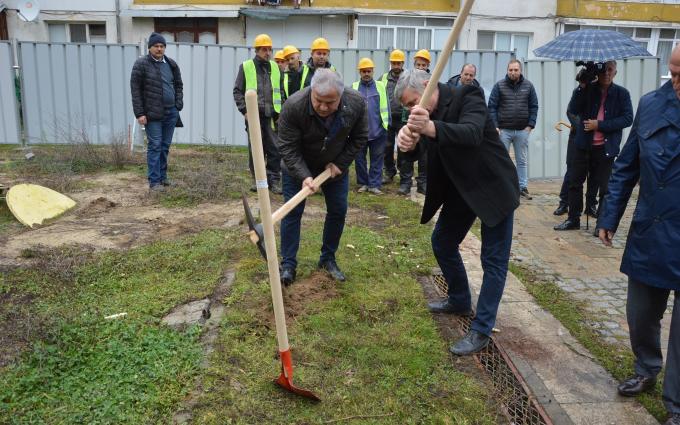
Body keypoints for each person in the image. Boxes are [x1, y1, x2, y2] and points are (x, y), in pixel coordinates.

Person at [396, 69, 519, 355]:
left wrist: (429, 128)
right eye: (406, 107)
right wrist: (409, 145)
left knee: (493, 261)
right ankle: (460, 299)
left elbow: (472, 133)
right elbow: (422, 149)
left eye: (413, 102)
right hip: (462, 190)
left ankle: (481, 330)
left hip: (493, 187)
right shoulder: (424, 113)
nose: (412, 110)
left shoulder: (468, 95)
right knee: (442, 242)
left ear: (427, 86)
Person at [596, 45, 680, 425]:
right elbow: (627, 164)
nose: (676, 82)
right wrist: (609, 215)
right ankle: (647, 367)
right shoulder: (651, 103)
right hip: (652, 227)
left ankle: (676, 405)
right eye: (674, 72)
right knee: (641, 313)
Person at [277, 69, 368, 285]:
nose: (324, 108)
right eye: (319, 101)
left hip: (334, 167)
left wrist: (340, 164)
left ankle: (327, 259)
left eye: (331, 102)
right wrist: (304, 175)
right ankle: (288, 264)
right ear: (312, 92)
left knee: (338, 211)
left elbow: (359, 137)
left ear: (341, 96)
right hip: (297, 167)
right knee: (292, 213)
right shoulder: (294, 106)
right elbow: (287, 147)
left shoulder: (355, 103)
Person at [554, 60, 633, 231]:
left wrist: (600, 125)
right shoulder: (588, 89)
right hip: (583, 145)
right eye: (604, 70)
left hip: (606, 148)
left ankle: (601, 225)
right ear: (597, 72)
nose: (606, 73)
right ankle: (573, 219)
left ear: (615, 72)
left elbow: (628, 119)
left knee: (604, 188)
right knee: (575, 183)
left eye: (610, 70)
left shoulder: (622, 94)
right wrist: (582, 85)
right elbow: (573, 109)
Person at [130, 32, 184, 192]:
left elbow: (179, 85)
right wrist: (139, 113)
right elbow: (135, 90)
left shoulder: (171, 64)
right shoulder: (141, 64)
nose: (159, 49)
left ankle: (163, 178)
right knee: (155, 145)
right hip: (152, 114)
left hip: (171, 112)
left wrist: (178, 104)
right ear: (150, 48)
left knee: (165, 146)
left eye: (162, 46)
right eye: (156, 46)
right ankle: (154, 182)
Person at [233, 33, 285, 194]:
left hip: (272, 116)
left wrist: (281, 110)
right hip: (254, 115)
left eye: (269, 49)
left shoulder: (276, 67)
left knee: (274, 148)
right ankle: (259, 181)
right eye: (264, 49)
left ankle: (274, 180)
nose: (267, 53)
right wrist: (245, 110)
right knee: (256, 149)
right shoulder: (246, 66)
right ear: (257, 50)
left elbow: (281, 92)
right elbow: (237, 91)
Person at [488, 59, 539, 200]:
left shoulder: (528, 86)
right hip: (504, 130)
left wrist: (530, 126)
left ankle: (522, 187)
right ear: (507, 70)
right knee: (501, 159)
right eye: (510, 70)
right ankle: (502, 186)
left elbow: (534, 106)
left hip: (522, 130)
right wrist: (496, 126)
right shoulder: (499, 86)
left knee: (521, 160)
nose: (513, 72)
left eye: (516, 70)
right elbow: (492, 107)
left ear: (520, 70)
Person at [353, 58, 389, 195]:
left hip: (378, 131)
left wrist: (387, 124)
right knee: (360, 159)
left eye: (369, 71)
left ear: (373, 71)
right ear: (359, 72)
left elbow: (387, 107)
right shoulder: (354, 87)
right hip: (359, 132)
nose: (366, 73)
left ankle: (374, 184)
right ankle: (363, 183)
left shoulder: (380, 86)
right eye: (363, 71)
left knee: (377, 159)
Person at [554, 111, 599, 217]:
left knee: (594, 173)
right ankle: (564, 203)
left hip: (596, 139)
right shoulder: (579, 94)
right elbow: (571, 111)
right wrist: (584, 127)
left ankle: (591, 206)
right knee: (571, 173)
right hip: (576, 138)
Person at [380, 49, 405, 185]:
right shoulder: (383, 78)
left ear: (402, 63)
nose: (396, 66)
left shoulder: (408, 77)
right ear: (390, 63)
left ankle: (403, 173)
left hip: (403, 118)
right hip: (388, 119)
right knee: (387, 147)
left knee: (403, 147)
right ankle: (389, 172)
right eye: (394, 63)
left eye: (398, 63)